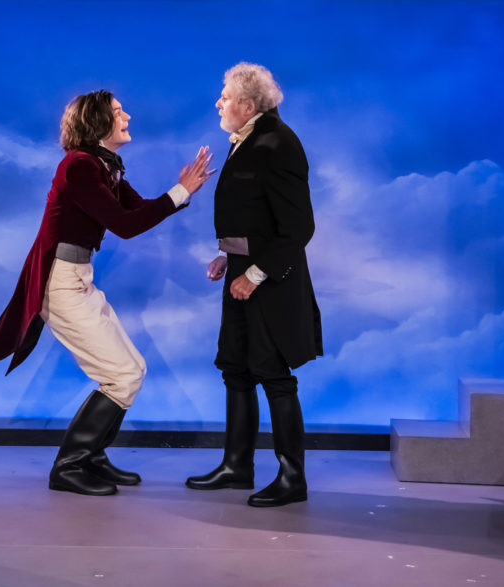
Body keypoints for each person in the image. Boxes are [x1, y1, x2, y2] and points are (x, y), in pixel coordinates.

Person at [0, 90, 213, 496]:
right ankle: (68, 467)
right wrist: (180, 190)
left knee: (130, 370)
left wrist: (182, 191)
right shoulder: (79, 167)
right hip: (61, 283)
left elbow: (138, 210)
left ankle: (93, 457)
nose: (128, 116)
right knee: (120, 375)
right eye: (119, 112)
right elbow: (125, 224)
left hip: (78, 277)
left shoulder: (102, 165)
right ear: (98, 122)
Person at [185, 63, 323, 507]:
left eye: (224, 97)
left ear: (247, 104)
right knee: (236, 369)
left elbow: (298, 227)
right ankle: (236, 466)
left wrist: (255, 273)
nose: (218, 103)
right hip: (244, 272)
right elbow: (255, 215)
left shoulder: (277, 143)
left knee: (274, 375)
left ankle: (291, 477)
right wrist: (230, 257)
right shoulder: (246, 140)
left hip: (271, 284)